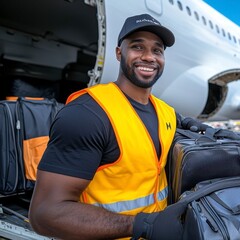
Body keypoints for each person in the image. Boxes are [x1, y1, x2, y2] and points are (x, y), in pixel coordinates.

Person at [29, 13, 191, 240]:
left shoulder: (165, 111)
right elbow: (45, 214)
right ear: (118, 53)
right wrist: (141, 225)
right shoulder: (87, 114)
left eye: (157, 50)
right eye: (137, 47)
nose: (148, 57)